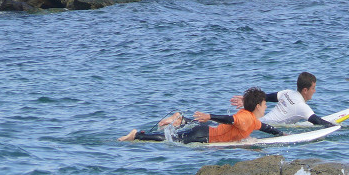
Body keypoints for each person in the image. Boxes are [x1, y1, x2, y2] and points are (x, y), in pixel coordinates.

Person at [118, 87, 283, 143]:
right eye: (264, 104)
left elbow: (266, 128)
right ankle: (138, 136)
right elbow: (229, 119)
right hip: (204, 135)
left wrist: (282, 134)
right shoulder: (246, 118)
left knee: (171, 137)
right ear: (257, 106)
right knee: (170, 140)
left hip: (205, 132)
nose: (266, 106)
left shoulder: (253, 120)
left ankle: (180, 120)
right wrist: (210, 116)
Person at [230, 72, 335, 127]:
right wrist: (339, 127)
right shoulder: (302, 107)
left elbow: (266, 97)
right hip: (263, 127)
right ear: (305, 90)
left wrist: (246, 100)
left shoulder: (287, 92)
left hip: (259, 122)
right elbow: (318, 122)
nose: (315, 91)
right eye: (313, 88)